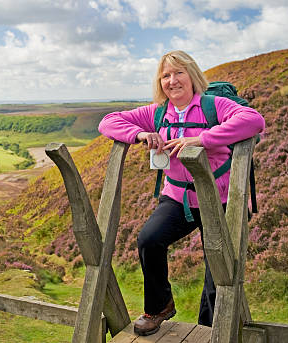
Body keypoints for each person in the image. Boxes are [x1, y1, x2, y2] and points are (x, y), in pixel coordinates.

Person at [98, 50, 264, 336]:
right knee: (149, 239)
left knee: (219, 273)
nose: (172, 81)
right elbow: (108, 122)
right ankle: (160, 306)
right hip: (178, 197)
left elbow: (253, 120)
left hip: (220, 199)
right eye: (165, 75)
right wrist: (140, 134)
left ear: (192, 76)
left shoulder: (214, 106)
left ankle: (211, 330)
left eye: (179, 73)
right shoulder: (158, 112)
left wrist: (202, 139)